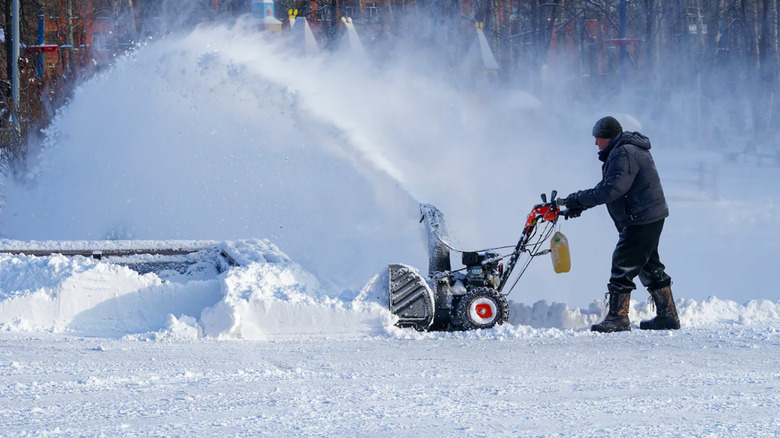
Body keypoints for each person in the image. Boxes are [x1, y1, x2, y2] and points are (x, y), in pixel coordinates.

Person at [562, 116, 680, 333]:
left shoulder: (624, 153)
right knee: (649, 265)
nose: (595, 143)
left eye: (598, 138)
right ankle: (667, 316)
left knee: (623, 263)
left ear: (608, 136)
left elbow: (611, 190)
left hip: (641, 217)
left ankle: (618, 317)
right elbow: (609, 187)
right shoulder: (624, 150)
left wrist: (578, 199)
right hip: (648, 215)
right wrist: (579, 204)